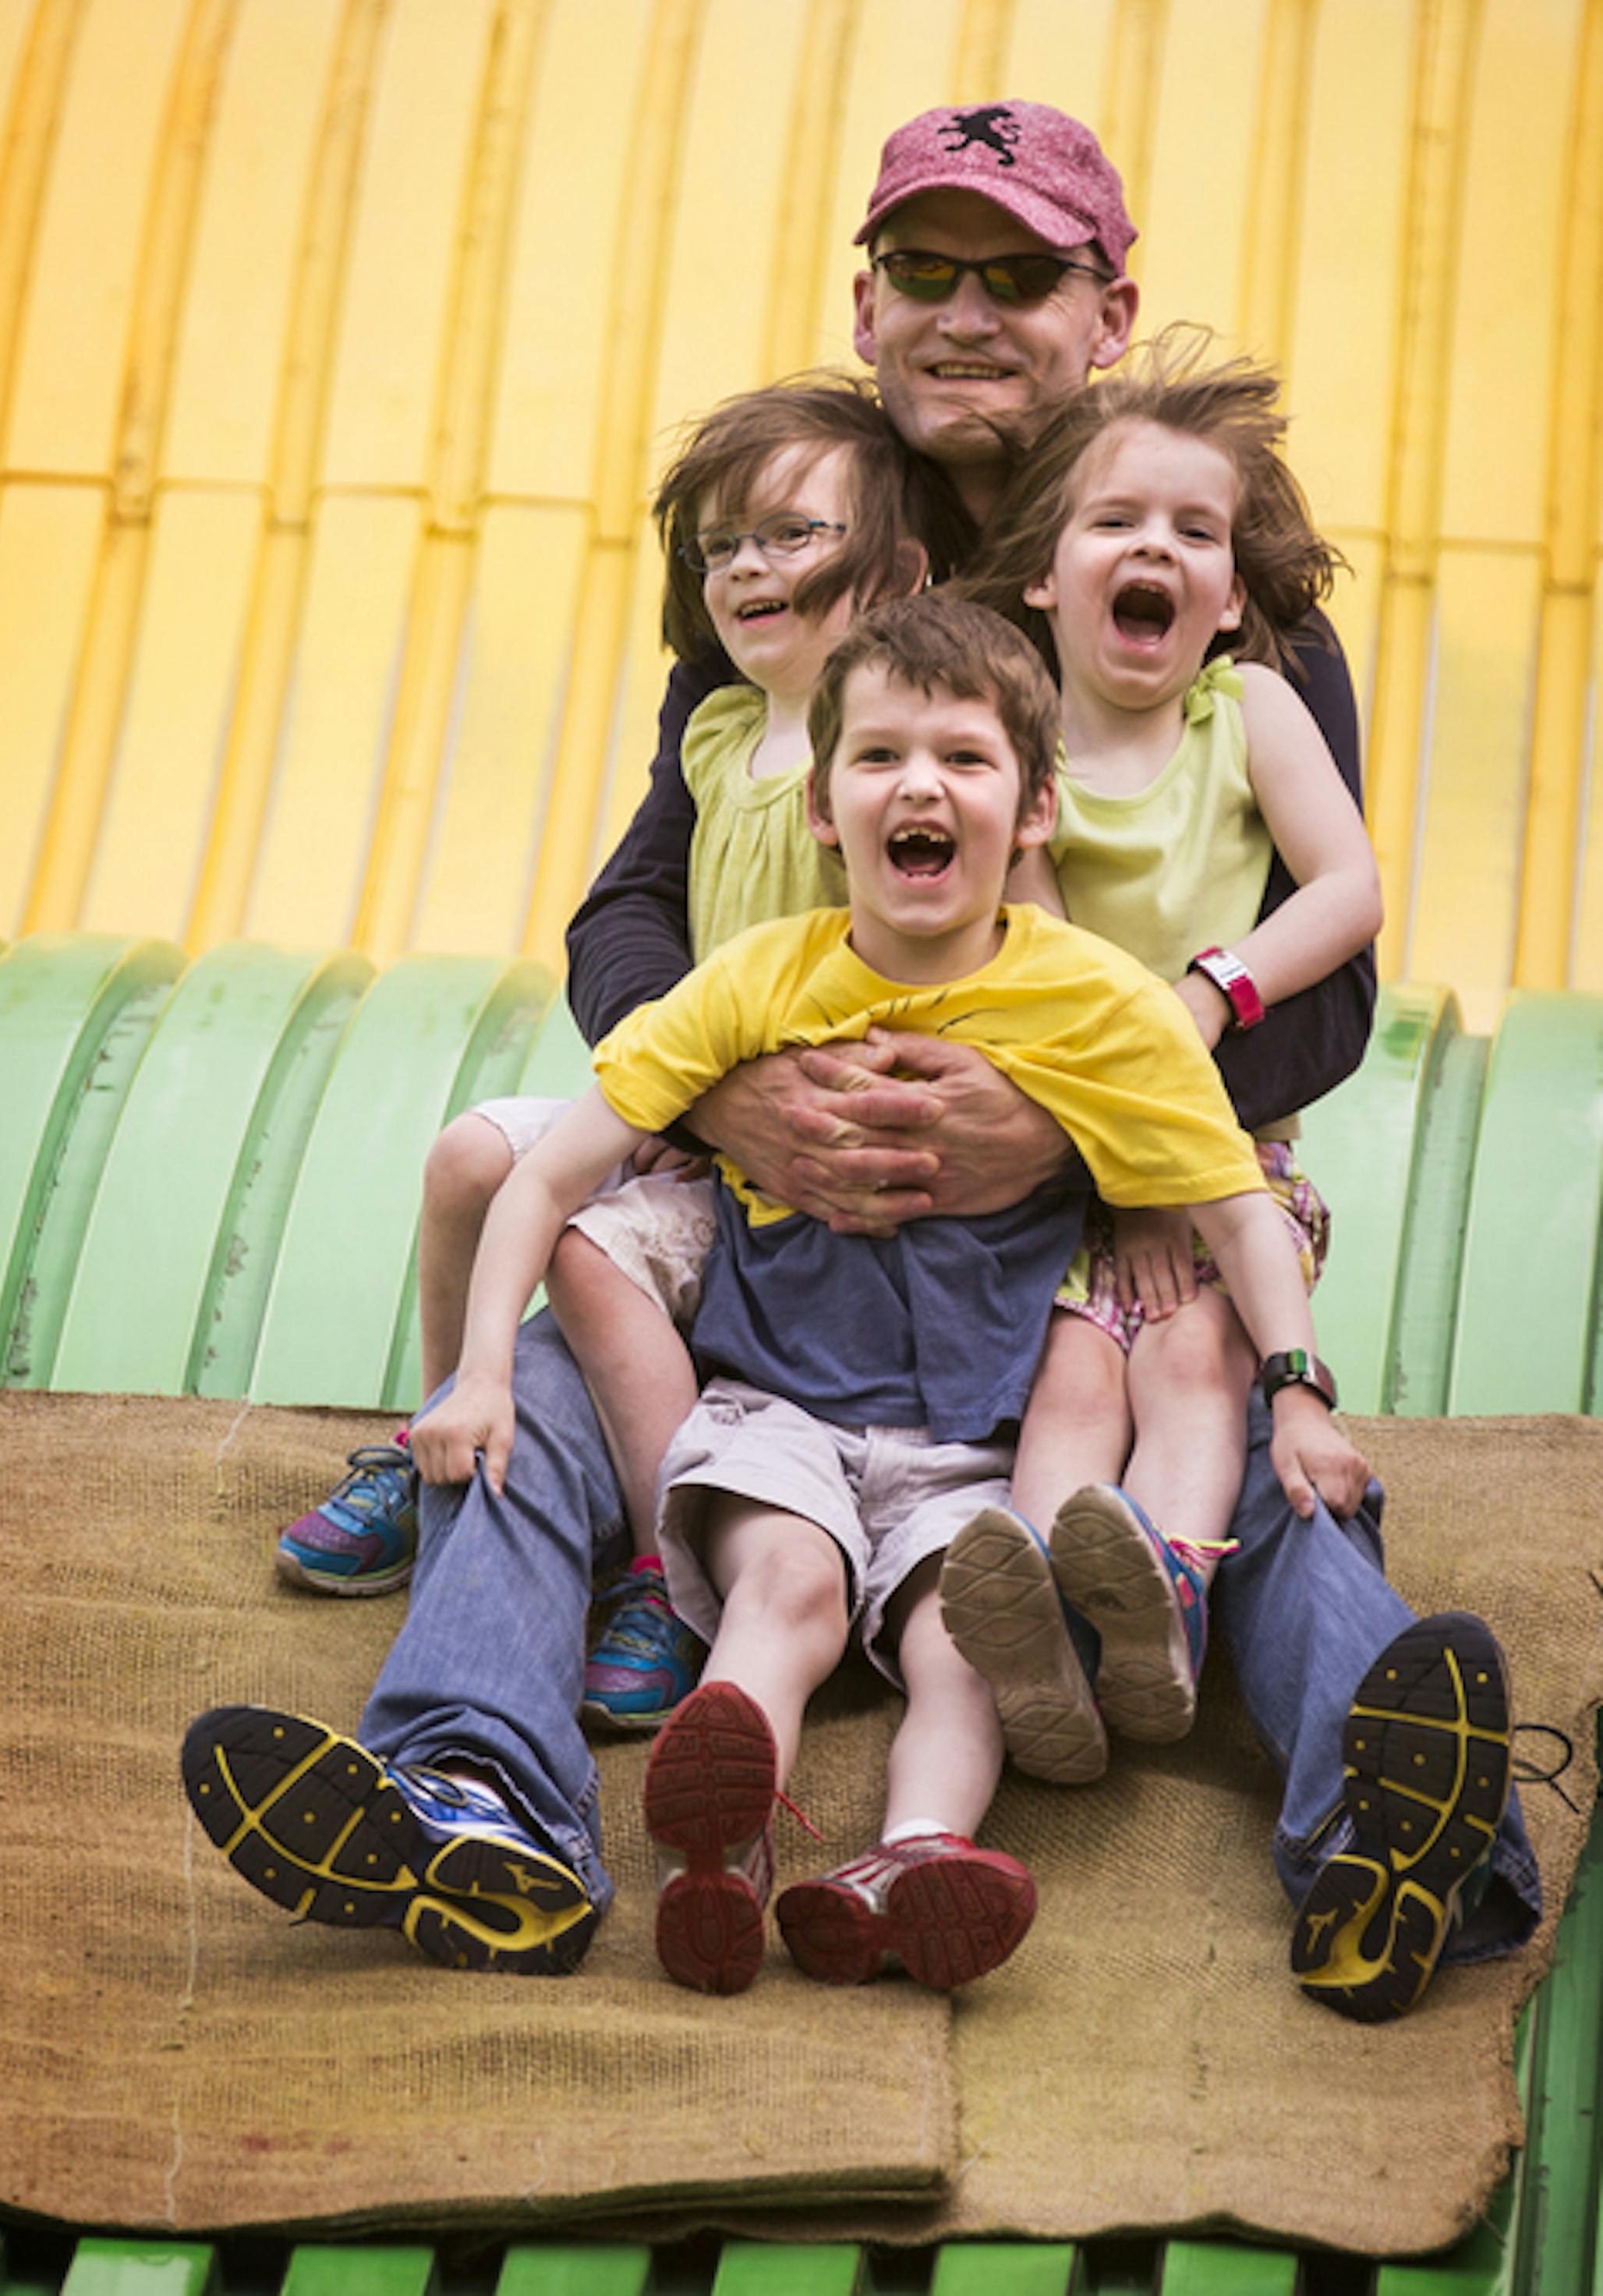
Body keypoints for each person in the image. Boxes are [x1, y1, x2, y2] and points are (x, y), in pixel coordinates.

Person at [182, 100, 1538, 2021]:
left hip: (1109, 1206)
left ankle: (1397, 1848)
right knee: (556, 1389)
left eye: (1021, 274)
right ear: (869, 299)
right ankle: (476, 1800)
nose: (967, 312)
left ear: (1107, 305)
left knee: (1231, 1456)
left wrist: (1065, 1122)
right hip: (785, 1188)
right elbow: (631, 914)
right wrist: (734, 1089)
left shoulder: (1219, 599)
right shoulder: (796, 545)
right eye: (927, 269)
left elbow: (1329, 983)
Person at [204, 594, 1366, 2000]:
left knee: (965, 1632)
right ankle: (722, 1854)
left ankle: (910, 1860)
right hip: (780, 1414)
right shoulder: (756, 983)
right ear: (822, 809)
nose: (919, 786)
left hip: (978, 1445)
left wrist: (1297, 1398)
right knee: (785, 1587)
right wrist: (476, 1378)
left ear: (1038, 806)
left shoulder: (1103, 1008)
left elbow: (1237, 1213)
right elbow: (546, 1173)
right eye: (877, 759)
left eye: (965, 758)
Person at [281, 378, 968, 1740]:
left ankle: (670, 1565)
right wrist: (674, 1083)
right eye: (720, 546)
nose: (747, 568)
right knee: (472, 1155)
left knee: (596, 1257)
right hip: (692, 1085)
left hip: (787, 1131)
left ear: (897, 570)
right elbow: (632, 912)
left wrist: (728, 1104)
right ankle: (439, 1429)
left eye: (790, 535)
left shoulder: (881, 747)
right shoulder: (715, 731)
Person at [926, 338, 1384, 1775]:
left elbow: (1349, 891)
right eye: (1117, 521)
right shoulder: (1019, 746)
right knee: (1072, 1375)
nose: (1158, 549)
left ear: (1233, 599)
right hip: (1083, 1167)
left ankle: (1167, 1597)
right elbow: (1046, 967)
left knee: (1193, 1358)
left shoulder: (1248, 712)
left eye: (1196, 534)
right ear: (1045, 577)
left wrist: (1214, 989)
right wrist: (1122, 1155)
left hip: (1229, 1152)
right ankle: (1048, 1622)